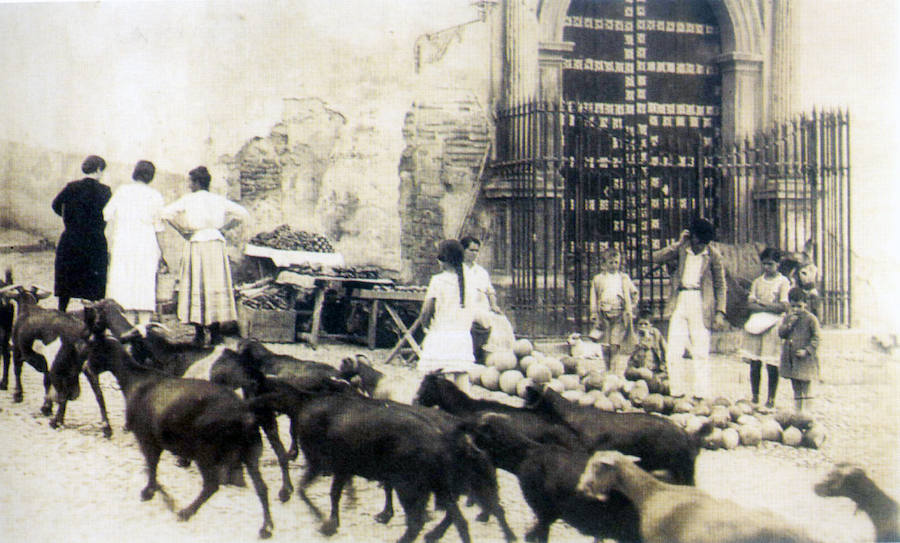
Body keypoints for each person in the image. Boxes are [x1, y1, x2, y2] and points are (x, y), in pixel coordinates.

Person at [161, 166, 249, 345]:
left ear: (197, 182)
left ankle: (200, 333)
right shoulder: (218, 200)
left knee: (198, 285)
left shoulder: (189, 199)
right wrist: (224, 228)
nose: (189, 185)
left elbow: (166, 213)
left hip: (198, 243)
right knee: (214, 284)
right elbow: (242, 214)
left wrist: (182, 231)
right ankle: (214, 332)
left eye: (190, 181)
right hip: (215, 243)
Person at [652, 217, 728, 401]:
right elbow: (656, 257)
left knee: (701, 350)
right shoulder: (681, 249)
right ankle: (676, 392)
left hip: (701, 302)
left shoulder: (713, 255)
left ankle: (700, 393)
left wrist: (720, 312)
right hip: (680, 299)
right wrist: (677, 243)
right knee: (674, 350)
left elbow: (720, 285)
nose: (702, 246)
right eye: (699, 241)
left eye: (705, 243)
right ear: (692, 237)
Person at [103, 160, 168, 325]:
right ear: (151, 176)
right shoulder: (155, 195)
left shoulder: (122, 191)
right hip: (146, 244)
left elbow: (106, 214)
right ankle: (143, 328)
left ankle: (128, 326)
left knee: (125, 284)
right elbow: (159, 227)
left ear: (135, 172)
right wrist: (164, 254)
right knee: (144, 284)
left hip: (124, 242)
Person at [51, 155, 112, 311]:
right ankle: (90, 315)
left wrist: (69, 218)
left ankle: (61, 311)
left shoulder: (71, 187)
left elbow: (56, 205)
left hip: (71, 237)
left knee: (67, 278)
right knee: (93, 280)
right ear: (98, 170)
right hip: (95, 240)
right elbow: (110, 213)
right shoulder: (105, 191)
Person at [418, 239, 475, 392]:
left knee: (435, 376)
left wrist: (425, 327)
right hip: (462, 336)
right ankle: (463, 409)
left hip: (441, 335)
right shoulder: (470, 278)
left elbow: (426, 311)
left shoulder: (438, 280)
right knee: (461, 376)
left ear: (443, 260)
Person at [740, 247, 791, 409]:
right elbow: (750, 305)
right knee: (755, 362)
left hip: (773, 325)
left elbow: (783, 306)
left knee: (771, 363)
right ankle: (755, 396)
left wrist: (763, 304)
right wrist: (766, 307)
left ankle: (771, 398)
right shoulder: (757, 282)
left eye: (770, 264)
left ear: (778, 264)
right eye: (764, 264)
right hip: (757, 323)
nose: (767, 268)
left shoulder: (783, 282)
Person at [588, 246, 639, 374]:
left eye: (616, 262)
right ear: (604, 264)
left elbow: (634, 292)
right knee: (605, 344)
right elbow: (593, 297)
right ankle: (607, 367)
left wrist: (630, 307)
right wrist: (594, 312)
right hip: (603, 315)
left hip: (619, 314)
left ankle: (613, 369)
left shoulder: (623, 278)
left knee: (615, 343)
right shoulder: (598, 279)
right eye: (610, 262)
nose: (614, 265)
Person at [460, 236, 504, 363]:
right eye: (471, 250)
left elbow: (490, 291)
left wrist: (494, 305)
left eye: (476, 251)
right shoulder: (458, 270)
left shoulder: (481, 271)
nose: (474, 254)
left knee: (499, 323)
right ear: (463, 250)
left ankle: (489, 357)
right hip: (466, 308)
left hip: (482, 308)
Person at [778, 287, 820, 414]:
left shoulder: (811, 319)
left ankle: (807, 413)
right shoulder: (788, 318)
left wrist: (807, 350)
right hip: (791, 358)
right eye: (793, 306)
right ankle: (797, 412)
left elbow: (816, 338)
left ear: (805, 304)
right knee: (795, 385)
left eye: (799, 306)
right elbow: (781, 334)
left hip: (805, 359)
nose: (796, 310)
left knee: (806, 385)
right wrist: (789, 325)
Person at [624, 308, 669, 394]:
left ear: (651, 325)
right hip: (640, 373)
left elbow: (666, 353)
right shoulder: (635, 338)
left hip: (655, 373)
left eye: (646, 324)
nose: (643, 327)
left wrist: (663, 373)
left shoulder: (656, 335)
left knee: (665, 387)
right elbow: (630, 364)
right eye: (641, 324)